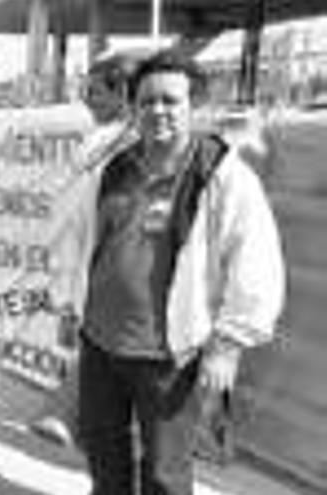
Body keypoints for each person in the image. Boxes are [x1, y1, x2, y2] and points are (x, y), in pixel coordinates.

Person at [75, 49, 285, 495]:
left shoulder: (223, 175)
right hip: (100, 344)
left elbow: (255, 262)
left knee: (165, 475)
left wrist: (227, 345)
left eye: (171, 101)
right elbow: (82, 242)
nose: (158, 111)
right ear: (133, 108)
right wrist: (68, 306)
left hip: (169, 357)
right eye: (147, 101)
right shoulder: (115, 168)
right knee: (103, 455)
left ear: (196, 107)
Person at [31, 48, 147, 447]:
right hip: (89, 265)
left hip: (112, 271)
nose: (86, 99)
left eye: (95, 91)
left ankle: (73, 416)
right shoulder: (102, 143)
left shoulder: (131, 144)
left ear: (123, 94)